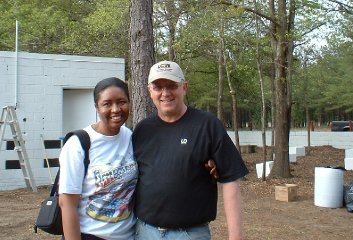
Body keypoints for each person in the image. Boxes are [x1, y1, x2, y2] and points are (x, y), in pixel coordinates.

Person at [133, 60, 249, 240]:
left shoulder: (207, 125)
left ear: (184, 87)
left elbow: (230, 181)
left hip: (189, 234)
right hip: (145, 232)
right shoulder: (142, 130)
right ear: (149, 91)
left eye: (172, 85)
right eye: (158, 87)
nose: (165, 93)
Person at [59, 77, 138, 240]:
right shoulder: (78, 144)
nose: (116, 109)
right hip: (91, 235)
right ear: (97, 107)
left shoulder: (131, 137)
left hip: (129, 236)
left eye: (121, 102)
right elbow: (67, 204)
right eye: (107, 104)